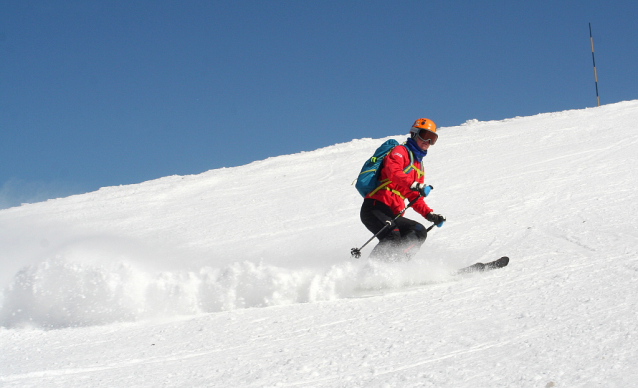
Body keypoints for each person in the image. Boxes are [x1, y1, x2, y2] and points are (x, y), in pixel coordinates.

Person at [360, 118, 446, 261]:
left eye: (432, 139)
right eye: (425, 136)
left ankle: (398, 266)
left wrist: (430, 214)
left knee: (419, 231)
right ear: (414, 133)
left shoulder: (419, 166)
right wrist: (415, 185)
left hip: (393, 213)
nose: (428, 142)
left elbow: (413, 196)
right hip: (376, 207)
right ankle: (370, 273)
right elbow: (393, 172)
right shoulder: (400, 151)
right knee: (392, 236)